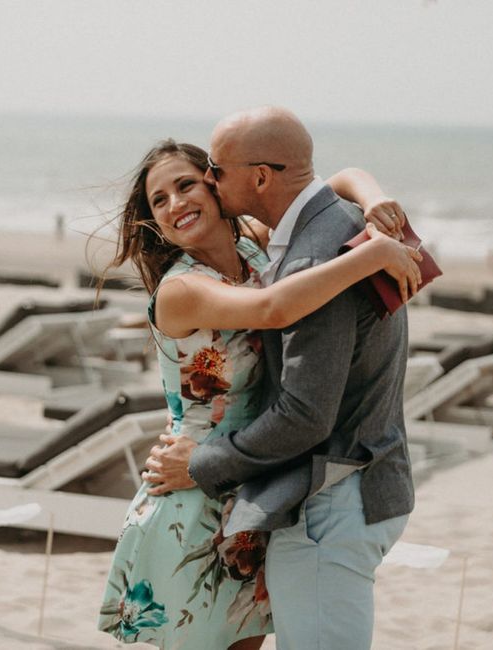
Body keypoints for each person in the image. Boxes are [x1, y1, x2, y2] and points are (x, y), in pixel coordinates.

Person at [97, 138, 421, 650]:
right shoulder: (182, 290)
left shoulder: (253, 243)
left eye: (186, 185)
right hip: (193, 486)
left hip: (256, 494)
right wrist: (374, 253)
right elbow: (273, 310)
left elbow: (329, 183)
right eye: (160, 201)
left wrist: (373, 199)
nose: (176, 204)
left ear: (217, 184)